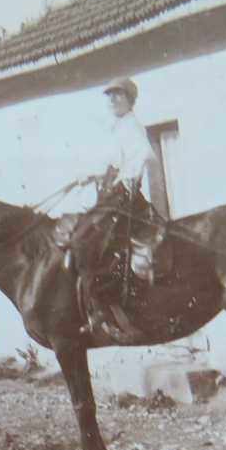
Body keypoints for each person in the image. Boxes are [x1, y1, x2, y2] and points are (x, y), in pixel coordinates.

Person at [56, 76, 169, 342]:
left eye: (119, 95)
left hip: (125, 198)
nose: (114, 100)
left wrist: (122, 184)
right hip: (112, 194)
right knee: (81, 233)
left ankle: (104, 309)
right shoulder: (116, 128)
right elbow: (110, 164)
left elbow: (140, 158)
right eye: (110, 96)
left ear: (130, 100)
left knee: (89, 241)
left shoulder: (132, 127)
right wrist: (90, 176)